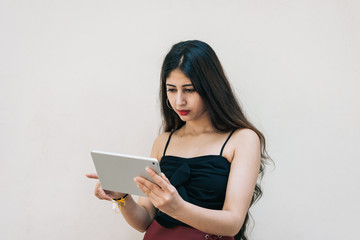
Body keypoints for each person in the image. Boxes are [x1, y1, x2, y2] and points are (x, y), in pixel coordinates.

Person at [86, 40, 270, 240]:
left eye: (189, 90)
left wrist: (178, 207)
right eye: (171, 89)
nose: (179, 101)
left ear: (212, 88)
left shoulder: (242, 139)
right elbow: (144, 220)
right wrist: (121, 196)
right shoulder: (163, 141)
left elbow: (233, 223)